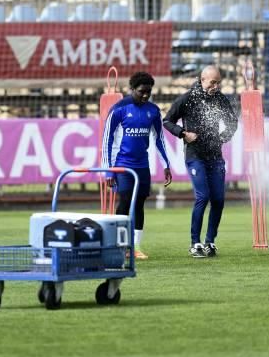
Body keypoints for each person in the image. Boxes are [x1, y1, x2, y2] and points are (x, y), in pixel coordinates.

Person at [164, 65, 238, 258]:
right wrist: (183, 134)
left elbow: (232, 121)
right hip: (195, 155)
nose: (216, 86)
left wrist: (223, 137)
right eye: (213, 82)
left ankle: (210, 242)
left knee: (219, 200)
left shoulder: (220, 99)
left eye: (218, 82)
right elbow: (167, 121)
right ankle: (194, 243)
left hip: (215, 156)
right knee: (202, 197)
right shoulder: (187, 98)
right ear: (202, 79)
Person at [102, 71, 172, 260]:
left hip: (142, 166)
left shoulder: (153, 110)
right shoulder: (119, 109)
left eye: (148, 92)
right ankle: (119, 246)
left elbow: (159, 139)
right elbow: (106, 140)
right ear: (132, 89)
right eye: (141, 91)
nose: (145, 95)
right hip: (122, 166)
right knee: (124, 203)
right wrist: (108, 170)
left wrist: (166, 164)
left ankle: (135, 247)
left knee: (139, 204)